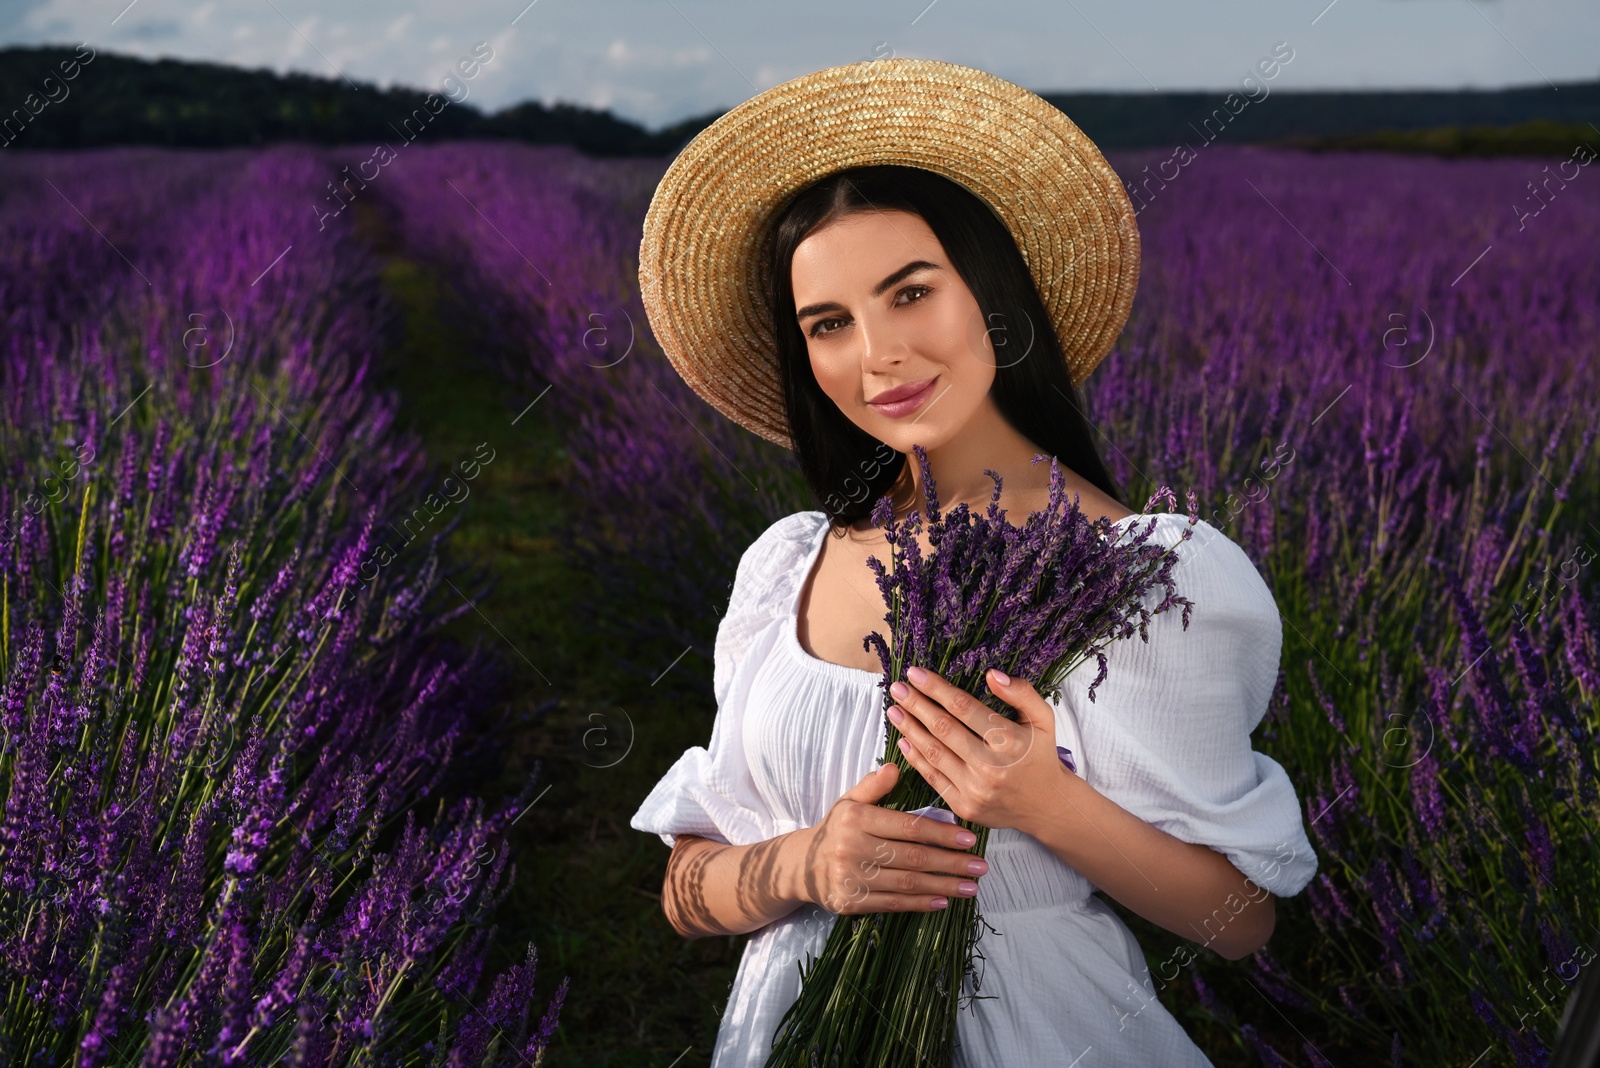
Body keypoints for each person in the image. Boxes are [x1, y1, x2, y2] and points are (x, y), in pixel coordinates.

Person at [629, 58, 1318, 1067]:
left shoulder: (1153, 575)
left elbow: (1240, 918)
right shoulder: (787, 565)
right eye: (829, 324)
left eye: (911, 293)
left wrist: (1046, 804)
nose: (878, 356)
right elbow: (688, 887)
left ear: (993, 297)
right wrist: (802, 866)